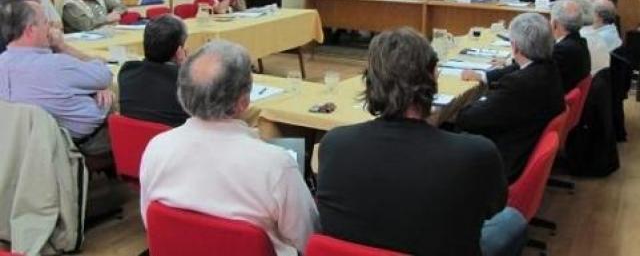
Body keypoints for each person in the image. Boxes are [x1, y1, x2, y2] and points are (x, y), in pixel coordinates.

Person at [317, 27, 527, 256]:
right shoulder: (476, 154)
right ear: (434, 76)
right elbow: (493, 208)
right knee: (512, 220)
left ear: (370, 81)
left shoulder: (333, 144)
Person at [140, 40, 319, 256]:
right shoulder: (275, 164)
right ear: (243, 102)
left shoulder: (157, 147)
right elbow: (308, 240)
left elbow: (150, 220)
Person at [0, 0, 114, 154]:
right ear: (30, 30)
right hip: (78, 145)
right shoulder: (57, 65)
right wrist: (62, 47)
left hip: (17, 147)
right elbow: (104, 75)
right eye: (46, 22)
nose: (51, 27)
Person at [457, 13, 565, 183]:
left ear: (515, 47)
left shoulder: (519, 84)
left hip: (505, 162)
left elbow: (467, 120)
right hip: (523, 145)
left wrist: (481, 99)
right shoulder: (549, 68)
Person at [119, 14, 189, 127]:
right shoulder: (187, 85)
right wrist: (186, 68)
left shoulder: (127, 71)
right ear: (179, 52)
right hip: (175, 138)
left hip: (133, 138)